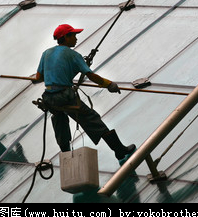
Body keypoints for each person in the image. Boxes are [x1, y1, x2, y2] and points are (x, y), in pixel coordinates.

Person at [32, 24, 135, 163]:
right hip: (65, 96)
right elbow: (91, 76)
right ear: (65, 37)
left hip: (49, 98)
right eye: (73, 35)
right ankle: (119, 150)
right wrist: (109, 84)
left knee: (60, 123)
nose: (76, 38)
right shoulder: (74, 55)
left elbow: (39, 78)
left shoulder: (46, 53)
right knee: (92, 119)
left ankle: (67, 158)